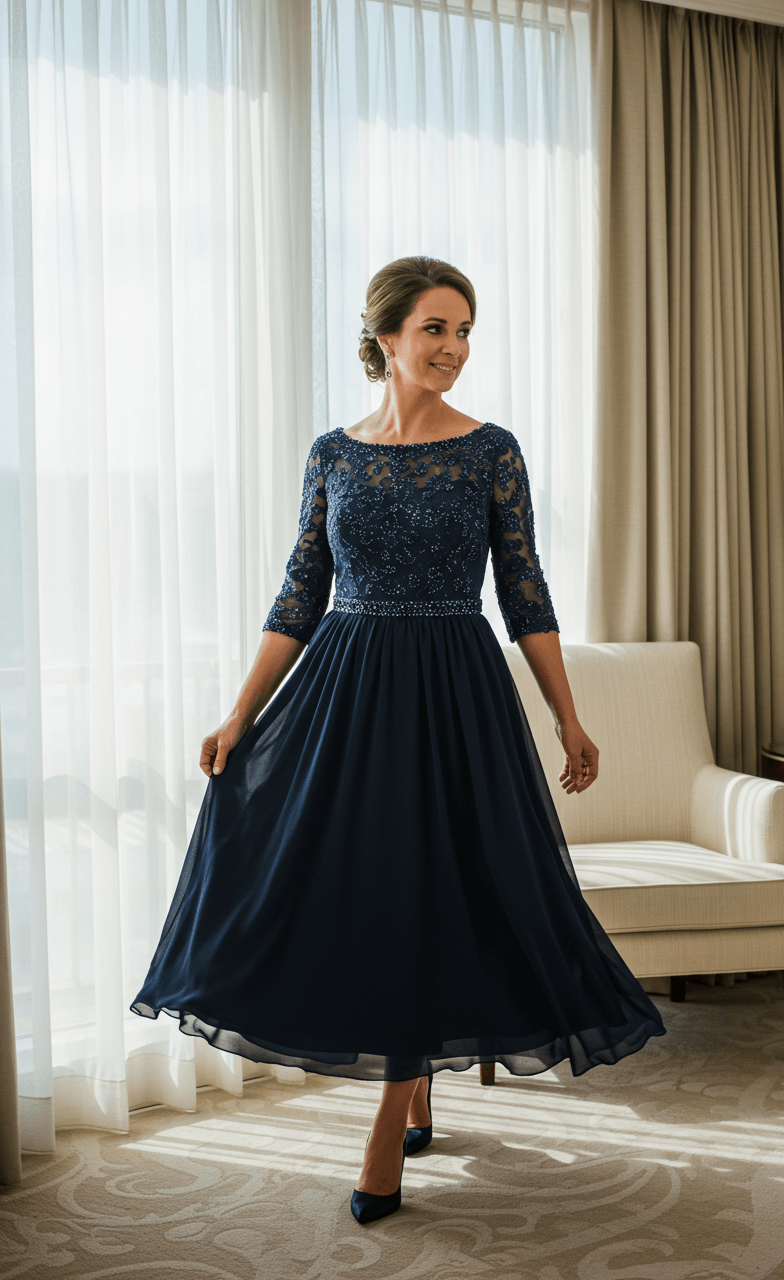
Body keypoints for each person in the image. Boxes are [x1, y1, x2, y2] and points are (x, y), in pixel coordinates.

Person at [131, 256, 665, 1225]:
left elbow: (524, 591)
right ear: (384, 336)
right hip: (346, 687)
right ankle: (409, 1072)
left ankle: (384, 1128)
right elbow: (299, 592)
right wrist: (240, 711)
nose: (453, 348)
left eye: (464, 330)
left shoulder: (490, 449)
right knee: (361, 890)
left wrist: (566, 713)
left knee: (441, 890)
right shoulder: (331, 452)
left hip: (453, 692)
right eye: (434, 328)